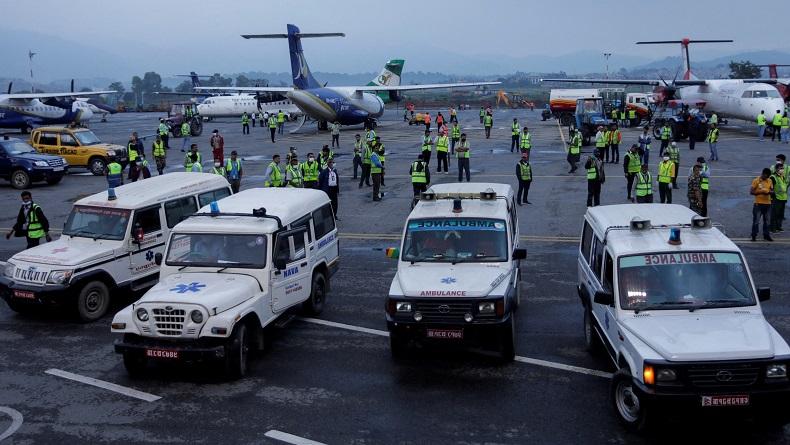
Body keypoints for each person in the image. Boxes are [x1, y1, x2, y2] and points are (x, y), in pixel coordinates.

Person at [750, 168, 774, 241]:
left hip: (768, 204)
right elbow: (751, 192)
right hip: (758, 204)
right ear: (763, 174)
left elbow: (772, 189)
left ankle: (766, 235)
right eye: (766, 176)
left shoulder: (770, 180)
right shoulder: (756, 181)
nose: (767, 178)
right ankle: (754, 235)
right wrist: (761, 192)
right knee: (756, 221)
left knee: (767, 221)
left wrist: (771, 192)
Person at [770, 163, 787, 232]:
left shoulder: (782, 176)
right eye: (780, 168)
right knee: (774, 214)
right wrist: (772, 197)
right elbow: (770, 188)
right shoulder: (773, 177)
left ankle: (778, 226)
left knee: (780, 214)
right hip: (776, 198)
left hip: (783, 198)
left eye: (782, 168)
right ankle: (772, 228)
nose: (782, 170)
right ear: (777, 169)